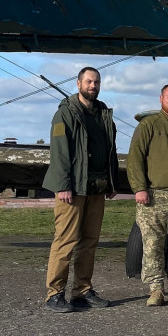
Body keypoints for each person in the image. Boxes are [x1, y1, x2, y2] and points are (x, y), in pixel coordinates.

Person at [42, 67, 118, 313]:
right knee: (65, 240)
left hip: (96, 187)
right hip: (72, 189)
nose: (93, 85)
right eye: (88, 81)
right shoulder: (64, 114)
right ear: (78, 84)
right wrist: (63, 185)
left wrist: (112, 183)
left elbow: (110, 151)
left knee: (89, 241)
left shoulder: (103, 113)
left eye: (96, 82)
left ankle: (82, 290)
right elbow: (59, 152)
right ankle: (54, 293)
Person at [127, 83, 168, 306]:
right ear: (161, 98)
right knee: (153, 243)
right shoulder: (148, 124)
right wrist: (139, 187)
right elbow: (135, 158)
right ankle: (155, 289)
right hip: (154, 193)